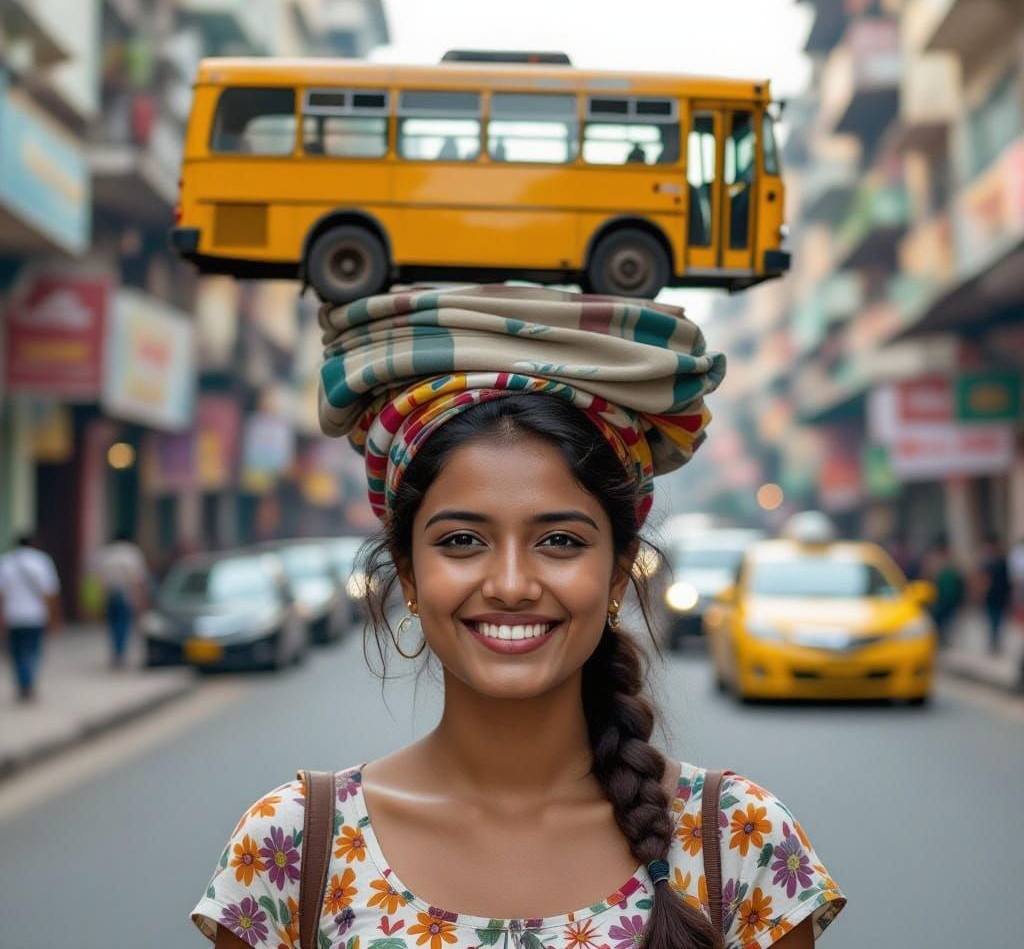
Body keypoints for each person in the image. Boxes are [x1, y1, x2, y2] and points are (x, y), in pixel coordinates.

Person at [190, 286, 846, 949]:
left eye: (559, 541)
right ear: (409, 575)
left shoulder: (742, 843)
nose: (510, 585)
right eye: (461, 541)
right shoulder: (291, 850)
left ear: (618, 571)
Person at [0, 534, 61, 703]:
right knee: (33, 652)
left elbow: (2, 595)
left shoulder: (6, 561)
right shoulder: (41, 561)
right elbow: (50, 593)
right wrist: (55, 617)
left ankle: (23, 683)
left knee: (17, 653)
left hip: (13, 616)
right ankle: (28, 683)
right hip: (35, 616)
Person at [92, 530, 150, 669]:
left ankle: (116, 653)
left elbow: (98, 579)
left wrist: (99, 599)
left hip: (109, 593)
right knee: (123, 625)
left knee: (113, 625)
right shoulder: (131, 553)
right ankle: (120, 654)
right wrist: (140, 599)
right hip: (126, 593)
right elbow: (137, 578)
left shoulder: (105, 553)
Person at [926, 536, 964, 648]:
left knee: (947, 621)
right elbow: (929, 579)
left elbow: (959, 581)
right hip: (939, 598)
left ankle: (943, 639)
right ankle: (939, 639)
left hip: (950, 598)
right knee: (939, 621)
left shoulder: (951, 562)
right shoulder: (934, 561)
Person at [979, 534, 1011, 655]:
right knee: (992, 620)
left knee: (998, 621)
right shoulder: (986, 561)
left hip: (1000, 596)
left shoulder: (1002, 561)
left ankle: (995, 642)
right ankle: (993, 642)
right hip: (990, 597)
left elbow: (1007, 580)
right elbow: (982, 579)